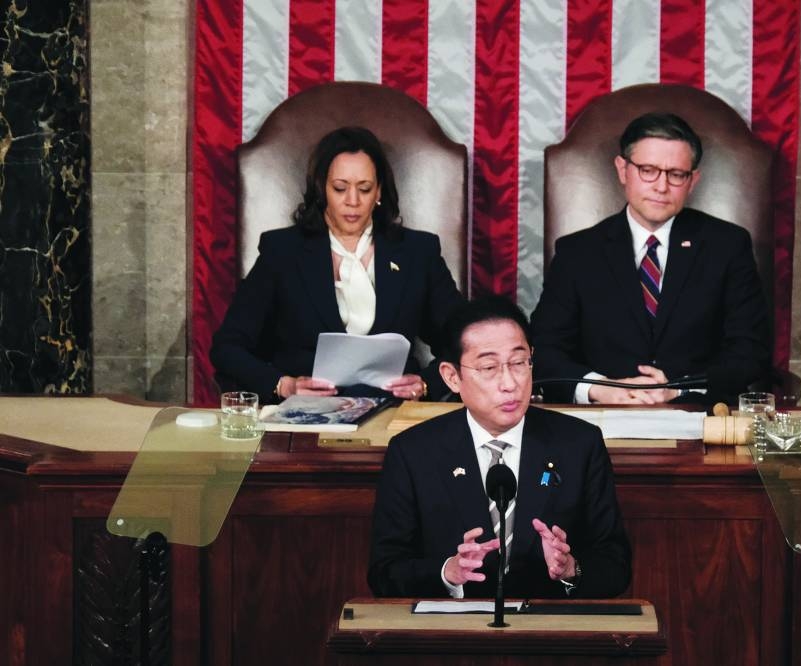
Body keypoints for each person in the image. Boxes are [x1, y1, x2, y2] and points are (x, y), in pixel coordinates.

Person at [368, 295, 631, 599]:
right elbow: (384, 572)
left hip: (547, 632)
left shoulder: (579, 444)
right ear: (452, 377)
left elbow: (616, 566)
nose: (510, 382)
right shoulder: (413, 452)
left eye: (519, 363)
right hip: (452, 636)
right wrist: (448, 573)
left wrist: (571, 568)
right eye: (489, 367)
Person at [530, 112, 771, 405]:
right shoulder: (578, 252)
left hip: (697, 417)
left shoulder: (727, 245)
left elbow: (750, 350)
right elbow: (544, 351)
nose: (661, 186)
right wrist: (599, 388)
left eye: (676, 174)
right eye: (648, 170)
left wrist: (679, 388)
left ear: (693, 181)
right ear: (623, 170)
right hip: (603, 421)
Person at [211, 127, 465, 404]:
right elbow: (228, 347)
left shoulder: (418, 252)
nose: (353, 201)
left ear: (379, 191)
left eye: (365, 189)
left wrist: (426, 384)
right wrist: (283, 386)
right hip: (305, 413)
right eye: (340, 188)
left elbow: (465, 340)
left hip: (396, 410)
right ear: (322, 188)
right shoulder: (282, 251)